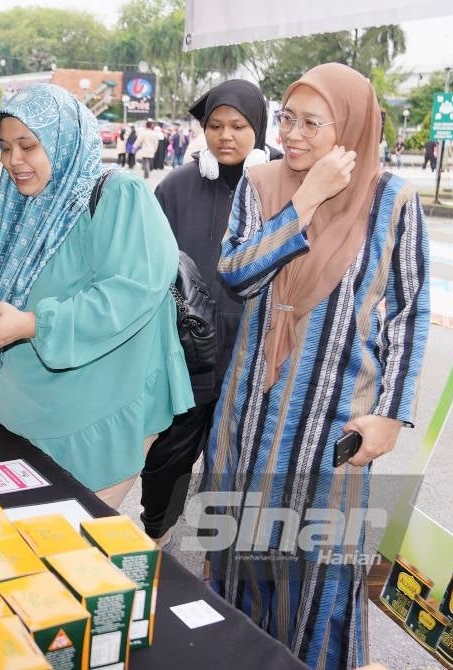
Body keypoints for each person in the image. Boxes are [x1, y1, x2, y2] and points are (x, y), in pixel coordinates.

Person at [203, 63, 429, 669]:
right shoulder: (261, 184)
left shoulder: (394, 201)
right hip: (248, 419)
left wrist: (390, 416)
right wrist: (305, 200)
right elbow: (238, 274)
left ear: (350, 128)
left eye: (312, 122)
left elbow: (410, 312)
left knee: (320, 579)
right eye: (286, 119)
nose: (293, 134)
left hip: (331, 425)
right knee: (238, 561)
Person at [0, 84, 193, 508]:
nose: (14, 161)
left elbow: (129, 293)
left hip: (96, 411)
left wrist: (32, 325)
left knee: (71, 542)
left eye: (28, 146)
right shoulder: (17, 207)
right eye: (6, 147)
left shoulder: (118, 196)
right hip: (20, 412)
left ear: (64, 140)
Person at [141, 80, 275, 547]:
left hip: (252, 355)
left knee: (238, 461)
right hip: (186, 352)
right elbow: (149, 261)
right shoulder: (178, 186)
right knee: (168, 457)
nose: (226, 136)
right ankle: (156, 535)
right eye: (215, 126)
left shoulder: (279, 185)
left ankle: (224, 555)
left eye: (239, 126)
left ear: (258, 128)